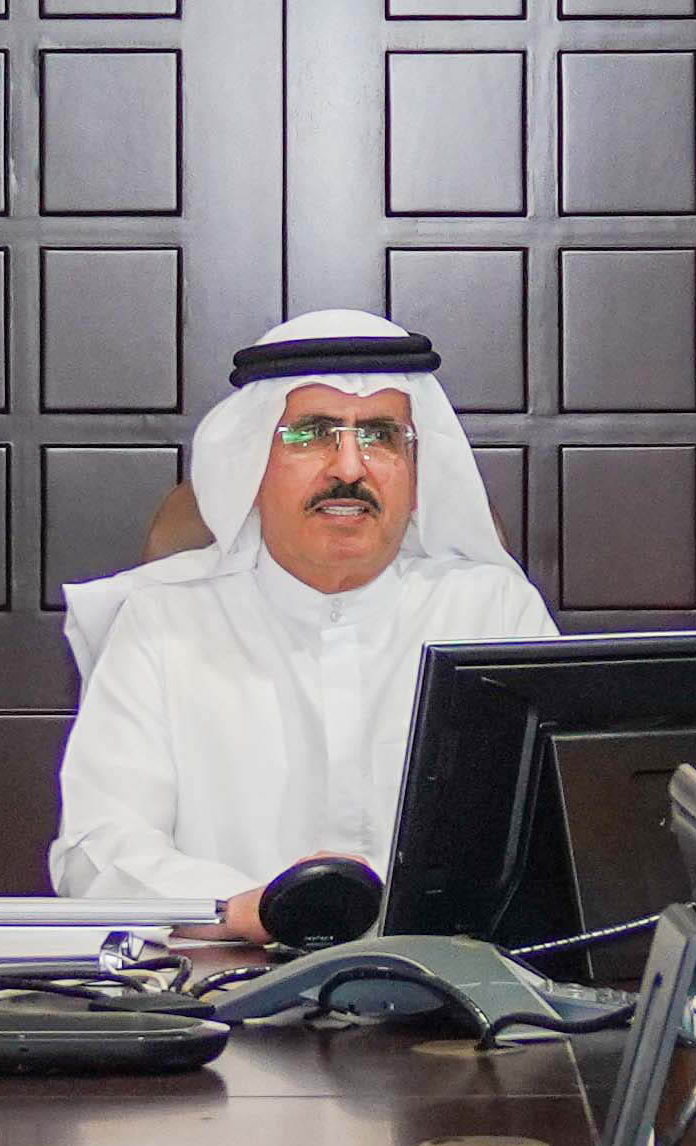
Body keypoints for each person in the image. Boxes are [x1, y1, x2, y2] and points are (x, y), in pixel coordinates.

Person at [50, 311, 559, 935]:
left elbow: (559, 838)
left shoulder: (493, 614)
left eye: (381, 436)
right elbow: (99, 849)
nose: (349, 468)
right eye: (311, 434)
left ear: (415, 467)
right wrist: (247, 907)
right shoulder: (162, 622)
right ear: (251, 464)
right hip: (228, 979)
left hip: (453, 983)